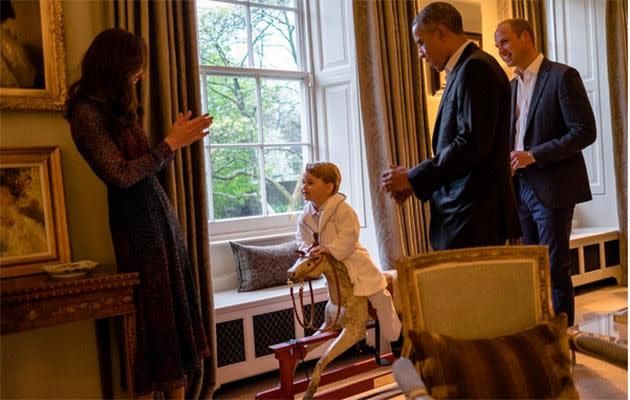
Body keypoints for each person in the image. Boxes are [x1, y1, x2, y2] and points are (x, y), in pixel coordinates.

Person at [65, 29, 212, 399]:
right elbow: (121, 175)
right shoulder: (85, 114)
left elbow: (148, 166)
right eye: (136, 69)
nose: (141, 76)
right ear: (117, 67)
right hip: (136, 227)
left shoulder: (120, 111)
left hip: (158, 218)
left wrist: (173, 141)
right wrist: (169, 144)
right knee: (153, 325)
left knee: (172, 321)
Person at [381, 2, 520, 251]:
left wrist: (413, 177)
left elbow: (471, 146)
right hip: (467, 215)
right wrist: (414, 182)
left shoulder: (476, 68)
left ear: (441, 33)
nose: (420, 53)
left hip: (473, 216)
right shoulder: (465, 68)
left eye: (421, 42)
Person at [494, 19, 596, 326]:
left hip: (553, 187)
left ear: (526, 37)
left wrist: (534, 156)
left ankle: (562, 339)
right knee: (530, 268)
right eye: (498, 45)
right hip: (519, 187)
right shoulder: (510, 87)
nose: (500, 50)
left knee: (554, 266)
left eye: (505, 42)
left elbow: (583, 131)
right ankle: (539, 333)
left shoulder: (563, 76)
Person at [297, 161, 401, 343]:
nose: (304, 187)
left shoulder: (343, 210)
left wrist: (329, 248)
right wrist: (308, 250)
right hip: (332, 266)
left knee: (379, 295)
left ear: (328, 187)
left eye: (310, 183)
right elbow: (301, 237)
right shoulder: (305, 215)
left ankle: (395, 335)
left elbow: (350, 234)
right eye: (304, 182)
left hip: (354, 261)